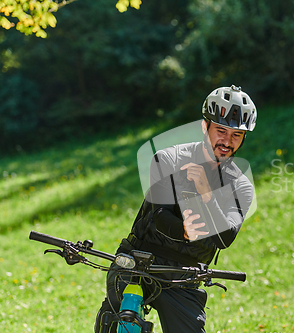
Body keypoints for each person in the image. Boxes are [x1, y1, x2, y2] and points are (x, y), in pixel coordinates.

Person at [95, 85, 257, 333]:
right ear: (205, 127)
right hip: (139, 259)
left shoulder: (240, 186)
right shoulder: (168, 159)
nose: (227, 141)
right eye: (221, 131)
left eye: (236, 135)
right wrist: (183, 231)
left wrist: (206, 194)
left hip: (185, 274)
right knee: (125, 325)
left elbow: (224, 238)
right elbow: (159, 216)